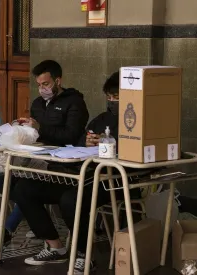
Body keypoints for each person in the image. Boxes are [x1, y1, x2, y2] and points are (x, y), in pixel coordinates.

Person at [12, 72, 141, 274]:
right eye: (109, 97)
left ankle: (84, 255)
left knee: (71, 199)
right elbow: (81, 140)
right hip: (81, 171)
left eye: (117, 97)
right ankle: (55, 246)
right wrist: (87, 142)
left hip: (111, 179)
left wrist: (113, 145)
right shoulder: (102, 119)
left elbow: (137, 151)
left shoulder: (139, 121)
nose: (112, 101)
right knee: (24, 189)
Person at [0, 60, 89, 248]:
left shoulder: (74, 102)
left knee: (23, 187)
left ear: (57, 81)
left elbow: (71, 135)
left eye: (46, 84)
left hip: (61, 159)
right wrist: (23, 130)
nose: (42, 89)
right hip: (37, 154)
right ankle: (34, 215)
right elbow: (35, 134)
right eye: (39, 85)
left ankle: (7, 230)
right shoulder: (38, 104)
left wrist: (41, 128)